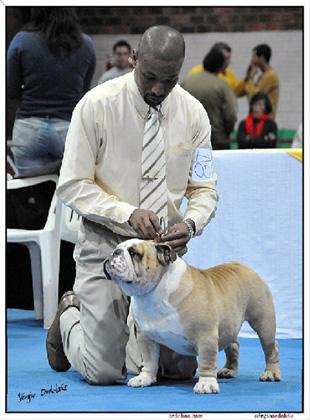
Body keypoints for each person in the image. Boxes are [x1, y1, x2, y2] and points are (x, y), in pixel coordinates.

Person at [46, 26, 218, 386]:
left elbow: (205, 188)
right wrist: (126, 212)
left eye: (168, 80)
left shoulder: (196, 115)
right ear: (133, 59)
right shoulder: (95, 105)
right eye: (150, 77)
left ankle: (132, 341)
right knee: (104, 372)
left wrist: (190, 225)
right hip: (105, 245)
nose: (157, 89)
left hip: (162, 261)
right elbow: (72, 185)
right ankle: (70, 316)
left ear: (181, 70)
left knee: (180, 369)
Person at [7, 7, 96, 177]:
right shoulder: (87, 44)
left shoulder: (22, 40)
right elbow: (84, 92)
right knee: (70, 195)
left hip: (29, 129)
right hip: (69, 130)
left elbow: (10, 90)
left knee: (31, 195)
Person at [182, 48, 237, 150]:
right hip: (215, 140)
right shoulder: (222, 86)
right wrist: (226, 132)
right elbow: (231, 114)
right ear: (221, 66)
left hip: (189, 138)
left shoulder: (187, 81)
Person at [239, 44, 280, 120]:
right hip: (258, 120)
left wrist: (251, 78)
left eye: (254, 56)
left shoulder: (270, 76)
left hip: (266, 121)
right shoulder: (263, 76)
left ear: (262, 57)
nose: (251, 60)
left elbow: (253, 97)